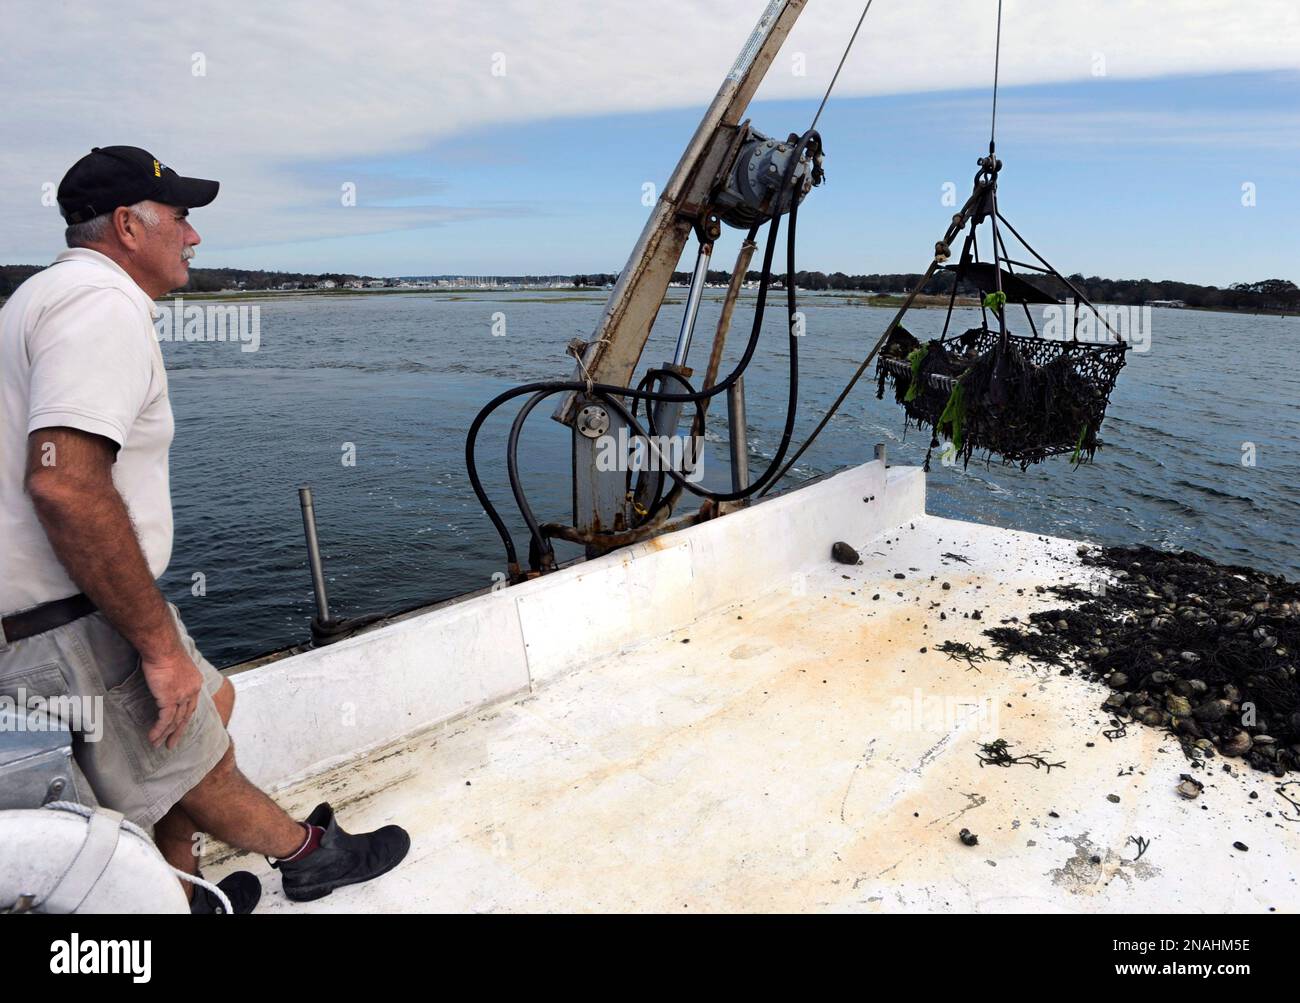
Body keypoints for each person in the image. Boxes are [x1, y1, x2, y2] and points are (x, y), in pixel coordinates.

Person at [0, 146, 409, 912]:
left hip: (77, 599)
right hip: (66, 616)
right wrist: (156, 647)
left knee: (207, 703)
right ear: (128, 225)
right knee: (193, 757)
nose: (194, 237)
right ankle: (310, 856)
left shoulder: (42, 296)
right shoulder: (100, 306)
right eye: (183, 218)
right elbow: (63, 483)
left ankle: (177, 885)